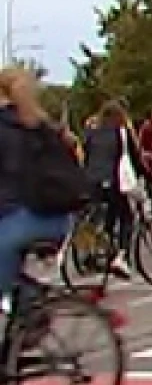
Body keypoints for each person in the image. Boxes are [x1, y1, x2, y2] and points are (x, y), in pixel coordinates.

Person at [0, 69, 77, 308]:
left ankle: (31, 302)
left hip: (29, 217)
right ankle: (22, 316)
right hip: (54, 217)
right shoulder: (37, 123)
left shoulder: (7, 126)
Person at [81, 101, 139, 277]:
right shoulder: (121, 133)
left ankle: (93, 253)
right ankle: (121, 257)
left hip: (91, 182)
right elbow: (134, 158)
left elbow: (86, 156)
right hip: (111, 181)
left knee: (105, 216)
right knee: (127, 216)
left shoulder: (91, 133)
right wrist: (147, 176)